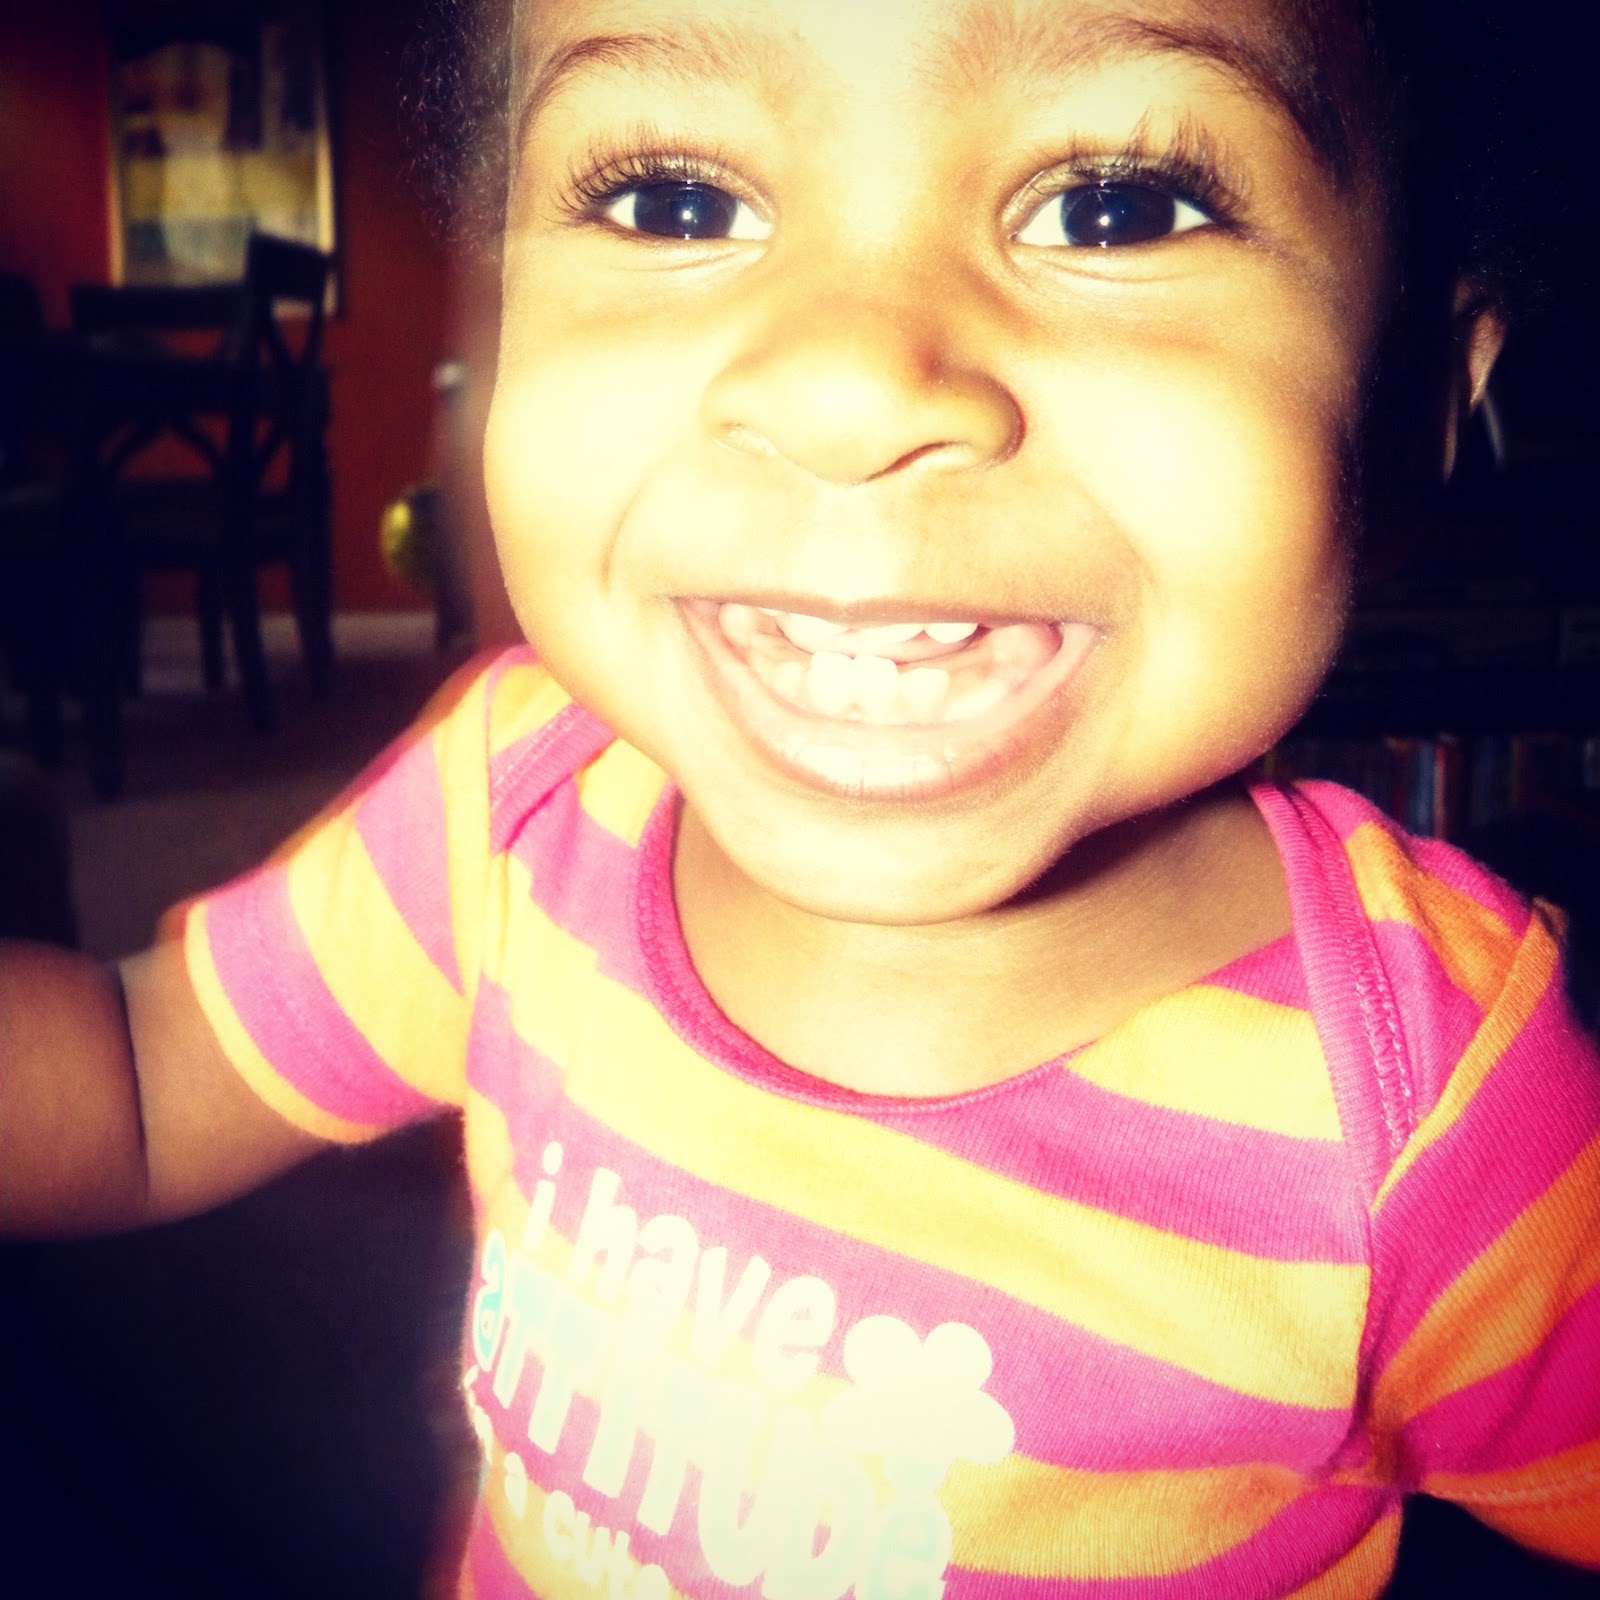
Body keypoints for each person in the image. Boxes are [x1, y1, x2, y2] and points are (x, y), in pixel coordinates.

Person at [4, 0, 1598, 1594]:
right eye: (673, 200)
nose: (851, 388)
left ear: (1418, 400)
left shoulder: (1442, 1112)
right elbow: (143, 1073)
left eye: (1115, 207)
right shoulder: (513, 806)